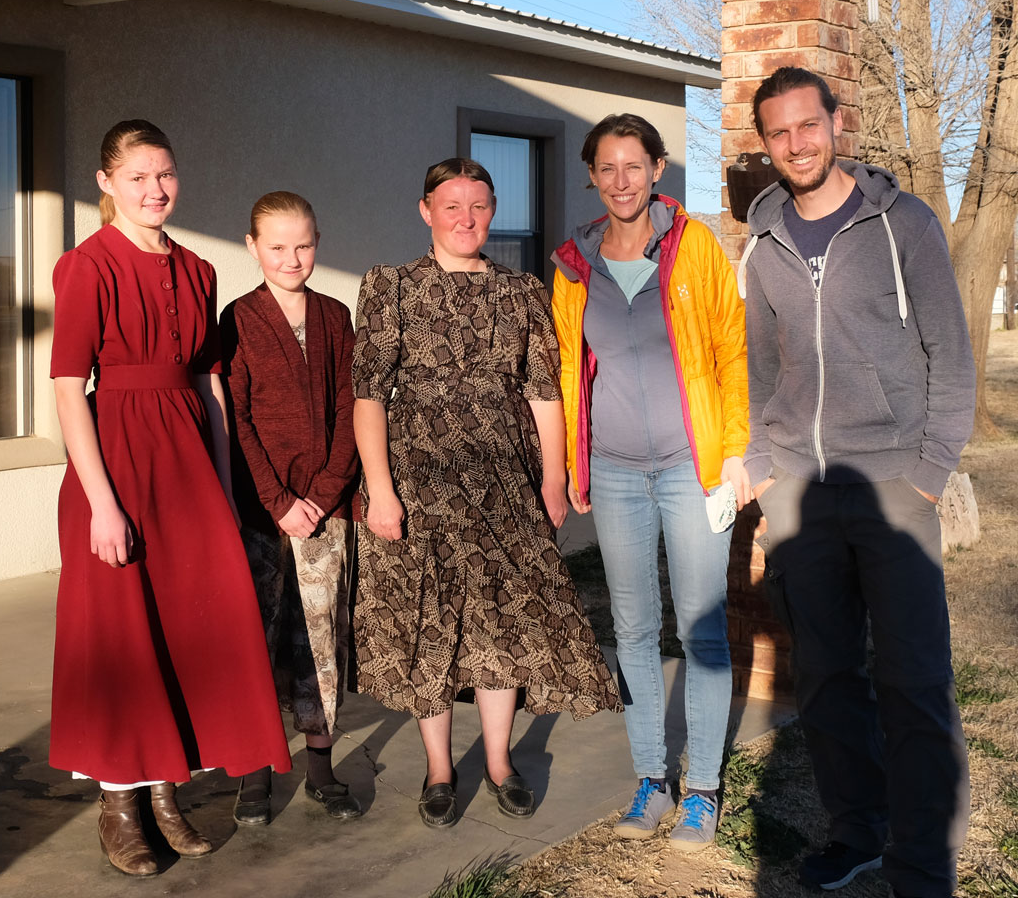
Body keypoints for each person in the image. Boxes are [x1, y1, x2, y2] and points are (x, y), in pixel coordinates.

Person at [739, 68, 976, 898]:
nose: (797, 144)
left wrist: (929, 474)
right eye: (780, 133)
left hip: (892, 488)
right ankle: (860, 832)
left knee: (913, 681)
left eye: (809, 126)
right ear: (764, 143)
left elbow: (951, 354)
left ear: (837, 124)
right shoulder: (762, 240)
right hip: (801, 492)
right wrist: (765, 468)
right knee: (830, 678)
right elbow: (761, 365)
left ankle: (922, 862)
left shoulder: (902, 222)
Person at [49, 120, 291, 876]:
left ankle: (165, 792)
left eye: (165, 175)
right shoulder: (86, 267)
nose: (154, 191)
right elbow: (66, 389)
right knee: (123, 635)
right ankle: (119, 802)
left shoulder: (195, 268)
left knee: (186, 631)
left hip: (188, 469)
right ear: (107, 183)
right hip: (116, 464)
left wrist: (221, 487)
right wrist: (102, 503)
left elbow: (210, 385)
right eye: (138, 178)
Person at [351, 158, 619, 829]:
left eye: (478, 206)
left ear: (492, 211)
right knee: (429, 624)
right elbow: (368, 397)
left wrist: (553, 478)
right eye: (451, 206)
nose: (465, 219)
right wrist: (380, 491)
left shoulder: (523, 291)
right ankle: (441, 769)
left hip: (504, 480)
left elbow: (543, 390)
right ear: (426, 210)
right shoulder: (391, 287)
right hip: (417, 479)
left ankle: (498, 761)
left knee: (505, 620)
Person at [550, 113, 749, 853]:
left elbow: (733, 350)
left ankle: (702, 791)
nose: (622, 181)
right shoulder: (575, 264)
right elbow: (570, 367)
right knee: (632, 628)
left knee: (701, 629)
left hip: (693, 470)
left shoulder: (693, 245)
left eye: (635, 166)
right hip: (616, 472)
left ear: (658, 169)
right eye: (607, 168)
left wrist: (734, 453)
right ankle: (650, 779)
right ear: (592, 176)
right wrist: (574, 463)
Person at [221, 191, 363, 824]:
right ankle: (254, 772)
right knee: (257, 636)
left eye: (303, 244)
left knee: (319, 634)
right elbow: (237, 418)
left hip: (324, 509)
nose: (291, 257)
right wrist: (278, 501)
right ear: (253, 247)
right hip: (259, 511)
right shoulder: (239, 320)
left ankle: (321, 767)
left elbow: (348, 410)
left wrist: (326, 493)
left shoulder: (334, 317)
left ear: (317, 242)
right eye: (277, 246)